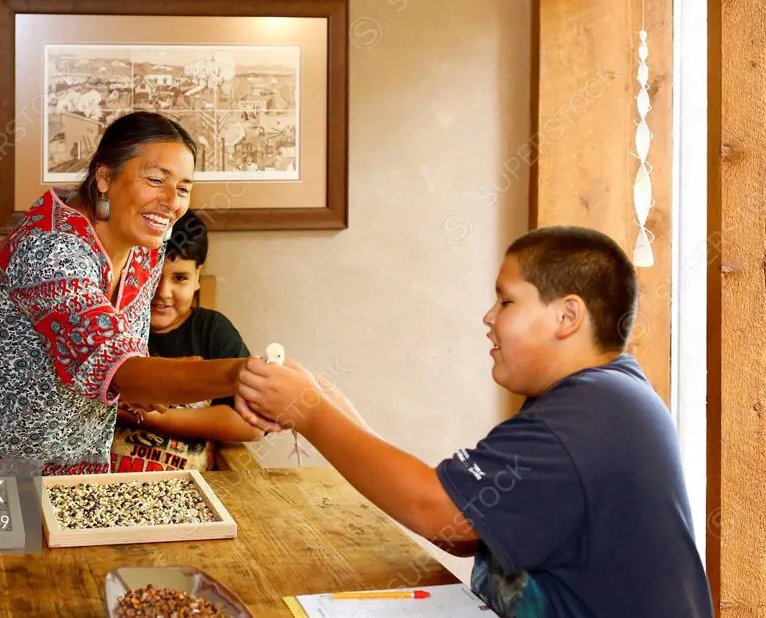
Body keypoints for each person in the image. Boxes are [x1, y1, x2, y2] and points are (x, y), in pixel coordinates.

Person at [235, 226, 714, 618]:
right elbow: (464, 527)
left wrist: (313, 413)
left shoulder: (584, 417)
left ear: (568, 315)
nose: (488, 318)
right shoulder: (595, 397)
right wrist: (332, 409)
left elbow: (443, 516)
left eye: (506, 302)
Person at [0, 111, 251, 475]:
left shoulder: (145, 246)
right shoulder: (49, 250)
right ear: (105, 177)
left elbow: (120, 355)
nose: (172, 201)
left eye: (183, 188)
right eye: (155, 180)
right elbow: (119, 369)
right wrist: (243, 377)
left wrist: (147, 380)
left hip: (61, 469)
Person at [110, 210, 262, 473]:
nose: (163, 293)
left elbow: (251, 425)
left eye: (180, 278)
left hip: (191, 486)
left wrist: (154, 417)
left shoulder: (212, 331)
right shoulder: (112, 327)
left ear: (197, 278)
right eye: (153, 277)